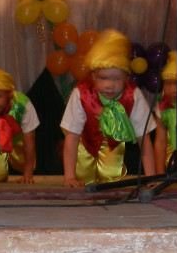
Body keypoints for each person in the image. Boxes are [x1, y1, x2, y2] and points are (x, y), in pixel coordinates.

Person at [60, 30, 155, 187]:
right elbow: (72, 136)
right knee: (82, 179)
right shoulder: (81, 93)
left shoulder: (133, 95)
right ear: (93, 76)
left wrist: (150, 177)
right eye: (103, 78)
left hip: (113, 142)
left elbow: (144, 139)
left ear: (127, 78)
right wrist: (69, 177)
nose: (109, 85)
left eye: (117, 79)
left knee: (111, 180)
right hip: (84, 141)